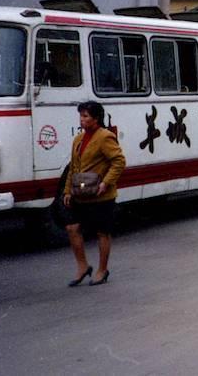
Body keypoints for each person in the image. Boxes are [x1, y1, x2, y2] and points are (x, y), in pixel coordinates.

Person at [63, 101, 126, 287]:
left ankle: (102, 269)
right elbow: (73, 168)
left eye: (86, 116)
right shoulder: (78, 140)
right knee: (72, 228)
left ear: (96, 118)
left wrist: (106, 182)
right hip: (79, 193)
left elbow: (119, 161)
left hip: (101, 195)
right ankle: (82, 266)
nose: (82, 120)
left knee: (102, 232)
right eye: (81, 116)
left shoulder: (105, 137)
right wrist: (67, 191)